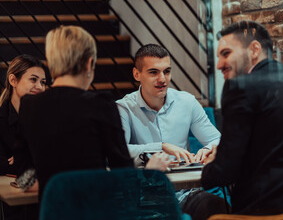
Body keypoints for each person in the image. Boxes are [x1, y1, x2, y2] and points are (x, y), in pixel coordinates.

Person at [16, 26, 170, 201]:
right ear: (89, 63)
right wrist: (151, 171)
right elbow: (124, 179)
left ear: (52, 62)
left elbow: (24, 179)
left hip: (53, 212)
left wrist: (57, 187)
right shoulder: (100, 104)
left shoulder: (29, 105)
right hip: (95, 210)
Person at [201, 21, 283, 215]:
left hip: (266, 212)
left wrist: (211, 167)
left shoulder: (239, 87)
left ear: (254, 50)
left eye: (226, 53)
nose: (218, 65)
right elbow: (280, 148)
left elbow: (225, 172)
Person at [116, 44, 221, 164]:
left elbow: (216, 139)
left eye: (166, 71)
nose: (162, 79)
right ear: (136, 74)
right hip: (145, 179)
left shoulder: (187, 102)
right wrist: (161, 147)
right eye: (153, 72)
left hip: (186, 177)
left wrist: (208, 149)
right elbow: (119, 151)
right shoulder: (123, 108)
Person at [0, 54, 46, 220]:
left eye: (43, 82)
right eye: (33, 80)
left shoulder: (46, 118)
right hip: (13, 204)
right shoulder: (1, 118)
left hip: (41, 196)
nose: (40, 87)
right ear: (13, 80)